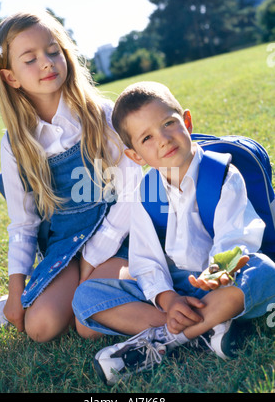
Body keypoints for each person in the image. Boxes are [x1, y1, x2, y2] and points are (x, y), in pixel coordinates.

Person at [73, 81, 275, 386]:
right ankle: (207, 328)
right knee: (86, 296)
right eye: (147, 138)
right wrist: (169, 301)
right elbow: (146, 260)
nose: (164, 139)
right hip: (179, 289)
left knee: (265, 270)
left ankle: (164, 340)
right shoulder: (147, 192)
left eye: (169, 123)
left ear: (187, 122)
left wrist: (213, 279)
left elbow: (236, 239)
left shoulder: (220, 175)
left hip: (222, 282)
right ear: (136, 156)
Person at [0, 11, 141, 342]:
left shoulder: (102, 115)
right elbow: (23, 225)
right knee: (40, 328)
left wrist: (93, 259)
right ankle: (26, 298)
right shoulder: (16, 143)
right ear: (11, 77)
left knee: (88, 324)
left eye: (53, 51)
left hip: (118, 235)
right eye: (30, 59)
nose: (46, 63)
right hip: (66, 245)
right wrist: (15, 292)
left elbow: (132, 194)